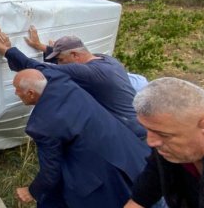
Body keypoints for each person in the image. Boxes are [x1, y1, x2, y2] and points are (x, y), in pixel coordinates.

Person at [11, 69, 150, 207]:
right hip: (130, 154)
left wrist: (32, 191)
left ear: (30, 94)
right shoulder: (65, 84)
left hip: (105, 178)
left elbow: (51, 171)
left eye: (17, 90)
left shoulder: (42, 124)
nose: (16, 93)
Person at [0, 21, 145, 138]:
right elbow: (65, 60)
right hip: (139, 124)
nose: (59, 63)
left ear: (75, 55)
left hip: (128, 132)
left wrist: (5, 48)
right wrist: (41, 46)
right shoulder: (106, 60)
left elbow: (38, 68)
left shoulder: (87, 72)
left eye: (61, 60)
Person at [125, 77, 204, 208]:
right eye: (148, 130)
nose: (151, 142)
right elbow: (142, 197)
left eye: (163, 135)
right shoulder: (169, 149)